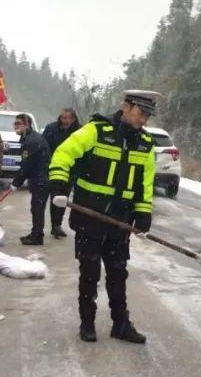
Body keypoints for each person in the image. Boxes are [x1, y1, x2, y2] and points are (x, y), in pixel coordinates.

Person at [48, 90, 159, 344]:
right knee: (89, 273)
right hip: (90, 218)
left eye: (148, 116)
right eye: (142, 113)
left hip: (120, 221)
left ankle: (121, 324)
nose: (144, 120)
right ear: (127, 106)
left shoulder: (145, 144)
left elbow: (145, 184)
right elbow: (63, 155)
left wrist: (143, 213)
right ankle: (87, 323)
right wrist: (59, 183)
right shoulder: (96, 131)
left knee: (118, 274)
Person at [10, 113, 50, 245]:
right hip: (38, 177)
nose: (16, 126)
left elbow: (26, 165)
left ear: (27, 125)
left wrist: (16, 183)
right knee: (36, 208)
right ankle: (35, 233)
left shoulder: (31, 141)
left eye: (19, 124)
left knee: (37, 208)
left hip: (41, 178)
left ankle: (37, 237)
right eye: (15, 124)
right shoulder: (28, 138)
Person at [41, 107, 80, 238]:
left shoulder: (79, 131)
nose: (64, 121)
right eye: (62, 118)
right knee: (55, 197)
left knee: (64, 197)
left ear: (73, 119)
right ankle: (55, 225)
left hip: (71, 168)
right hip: (54, 167)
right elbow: (44, 147)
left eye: (67, 118)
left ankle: (58, 223)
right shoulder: (51, 128)